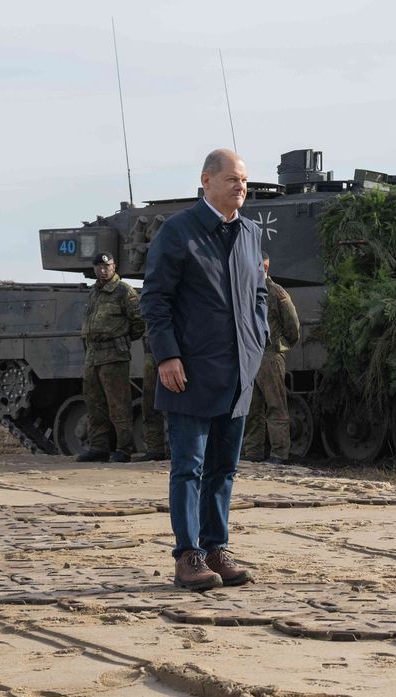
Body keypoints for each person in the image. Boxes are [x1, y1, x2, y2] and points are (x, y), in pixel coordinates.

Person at [140, 148, 268, 592]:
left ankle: (216, 548)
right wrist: (167, 355)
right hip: (190, 370)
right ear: (206, 180)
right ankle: (188, 555)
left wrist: (257, 341)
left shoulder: (249, 233)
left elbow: (259, 294)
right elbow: (155, 299)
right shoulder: (179, 232)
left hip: (237, 371)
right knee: (188, 467)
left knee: (223, 469)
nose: (242, 187)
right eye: (233, 179)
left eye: (245, 180)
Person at [77, 252, 144, 463]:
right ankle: (99, 447)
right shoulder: (94, 292)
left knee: (118, 403)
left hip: (114, 354)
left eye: (107, 266)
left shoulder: (124, 291)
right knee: (94, 403)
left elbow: (139, 322)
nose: (103, 270)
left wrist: (121, 339)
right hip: (93, 354)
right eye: (99, 267)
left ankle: (124, 449)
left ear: (114, 267)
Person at [242, 251, 301, 465]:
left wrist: (282, 346)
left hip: (269, 354)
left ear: (264, 268)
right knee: (251, 408)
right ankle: (253, 451)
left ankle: (279, 453)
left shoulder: (276, 292)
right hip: (250, 354)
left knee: (275, 405)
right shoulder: (245, 291)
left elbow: (292, 325)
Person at [132, 340, 169, 462]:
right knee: (149, 403)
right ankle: (155, 449)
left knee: (174, 405)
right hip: (150, 351)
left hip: (172, 351)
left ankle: (173, 449)